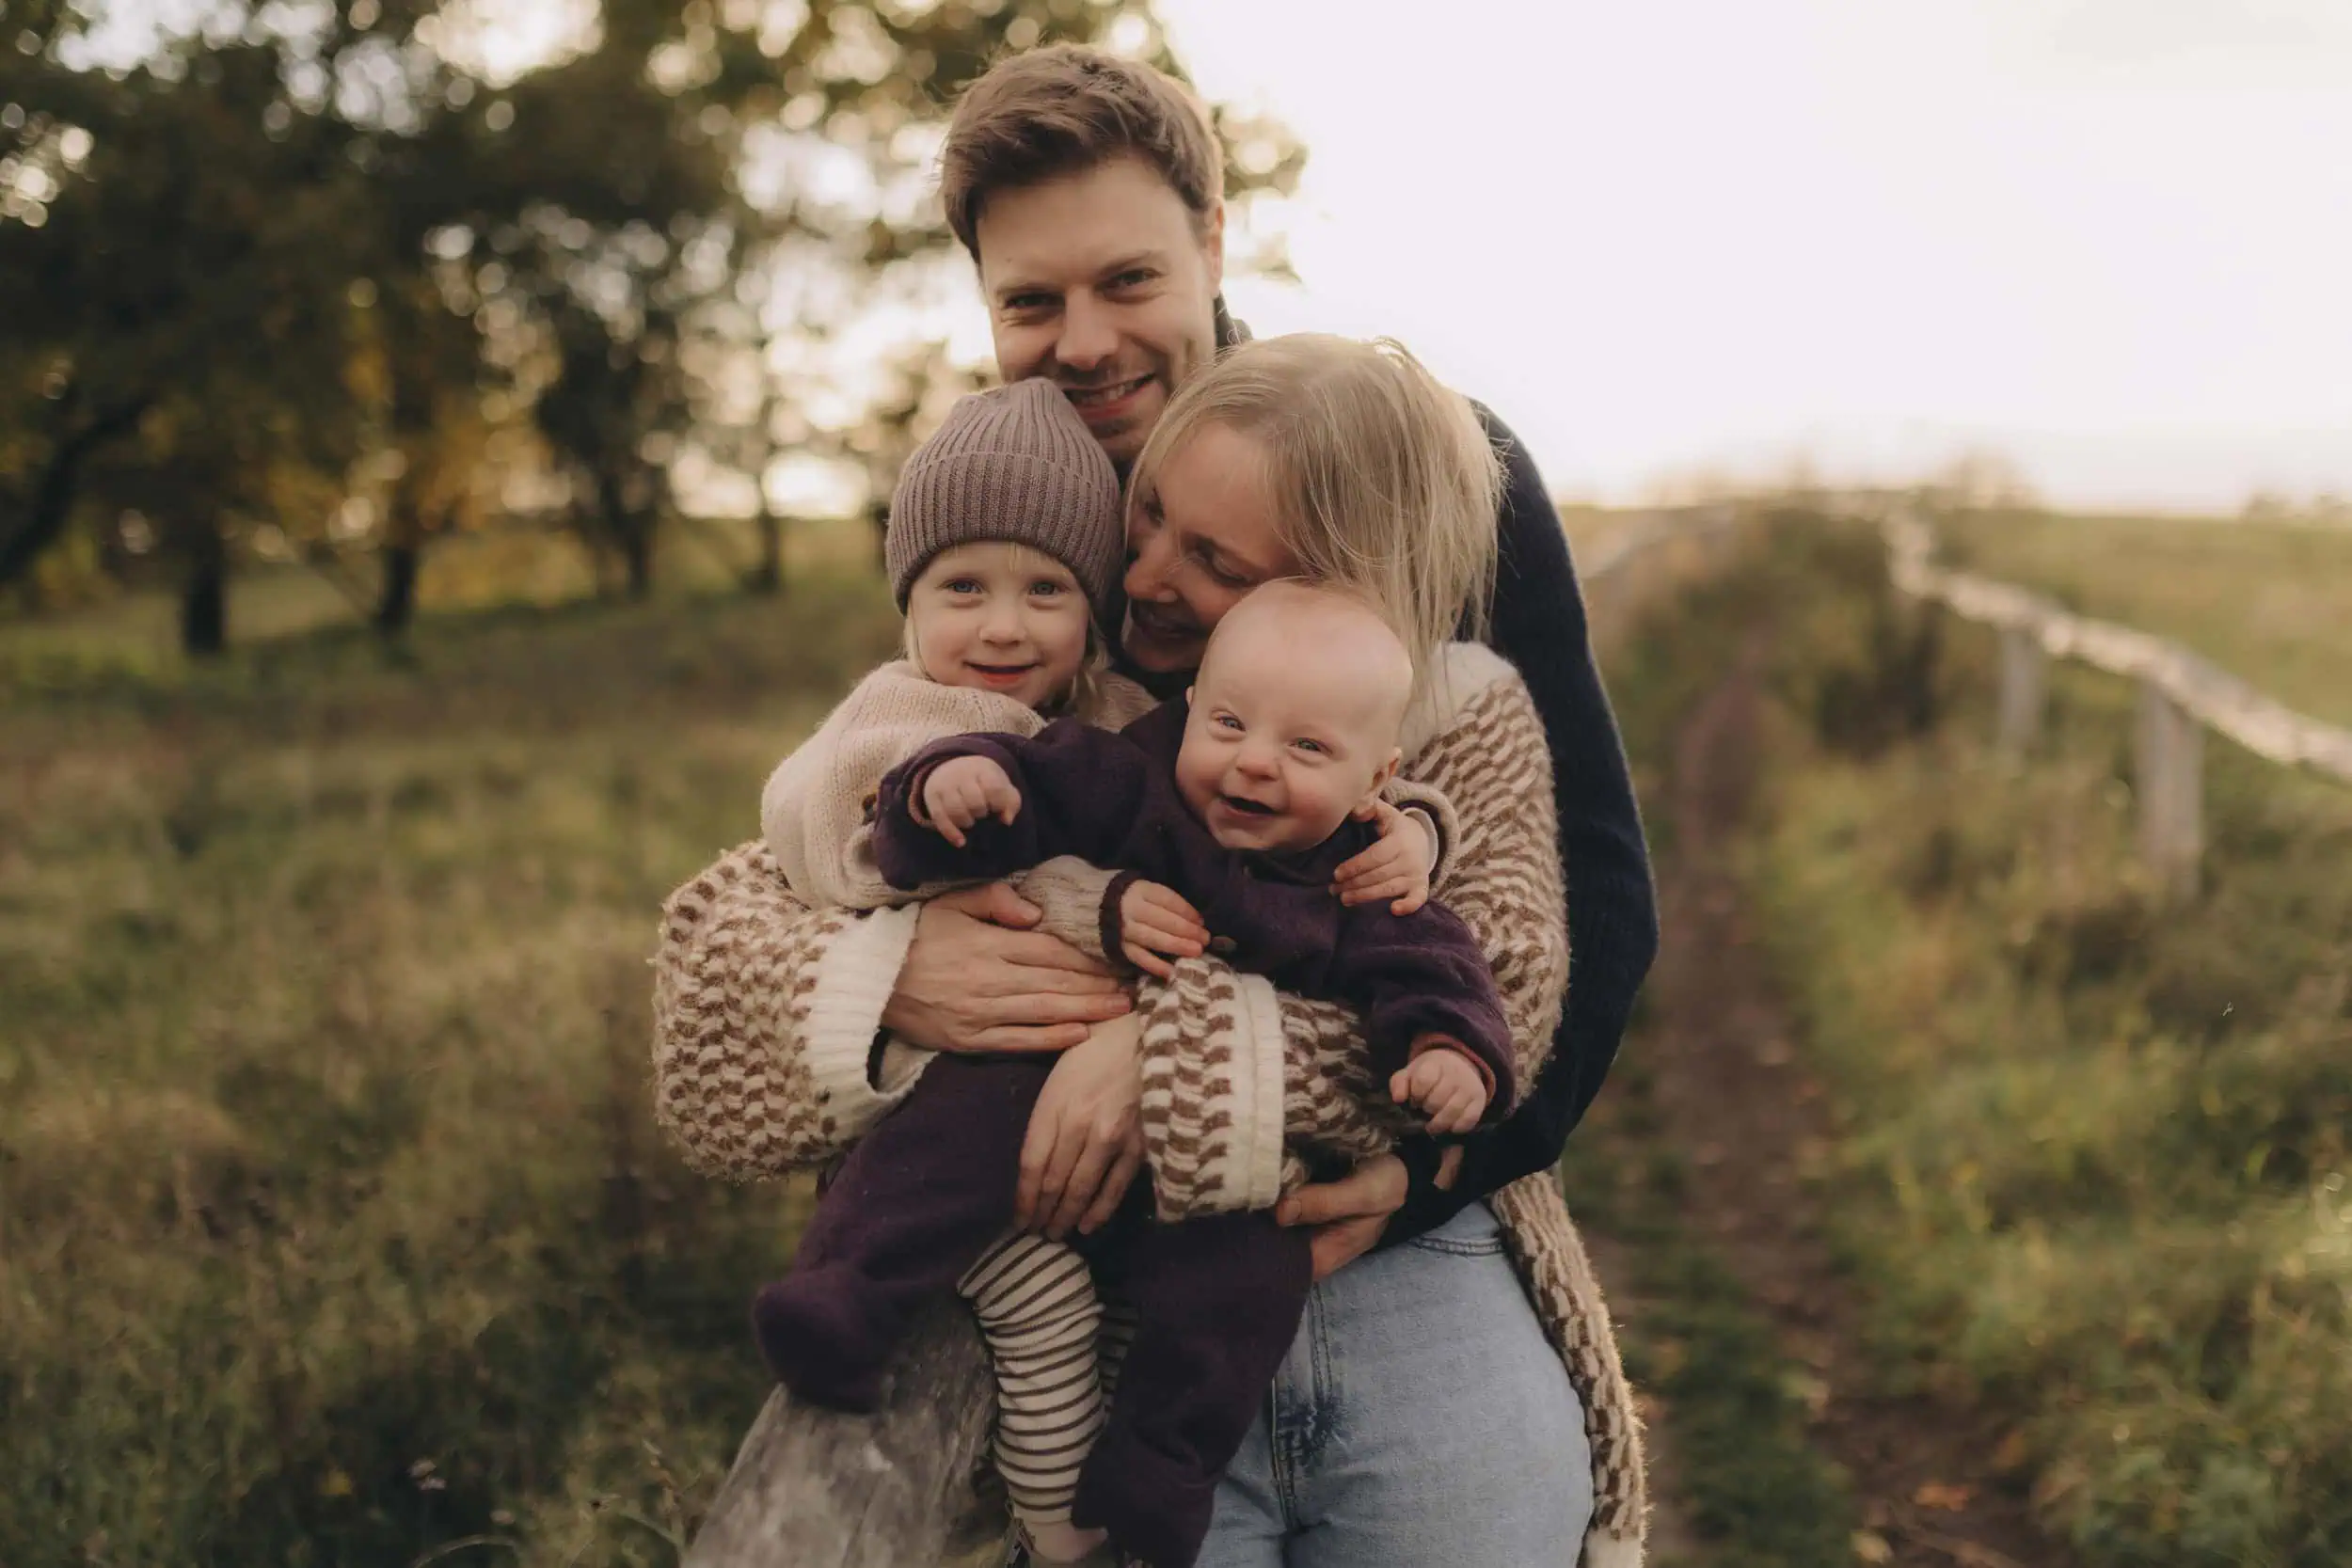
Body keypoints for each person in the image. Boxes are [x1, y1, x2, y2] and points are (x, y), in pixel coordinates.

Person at [652, 43, 1660, 1568]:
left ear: (1210, 239)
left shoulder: (1425, 470)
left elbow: (1573, 915)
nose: (1082, 339)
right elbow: (823, 828)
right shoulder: (1001, 514)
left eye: (1127, 278)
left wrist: (1404, 1154)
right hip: (1126, 1300)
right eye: (1029, 301)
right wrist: (895, 971)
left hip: (1396, 1237)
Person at [749, 376, 1452, 1566]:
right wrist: (948, 841)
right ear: (906, 597)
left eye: (1049, 589)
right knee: (956, 1164)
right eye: (960, 588)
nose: (1005, 626)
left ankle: (1154, 1476)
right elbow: (855, 816)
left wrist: (1415, 837)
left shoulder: (1162, 709)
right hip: (989, 1081)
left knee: (1233, 1278)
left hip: (1177, 1159)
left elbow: (1432, 945)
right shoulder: (919, 709)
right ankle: (849, 1299)